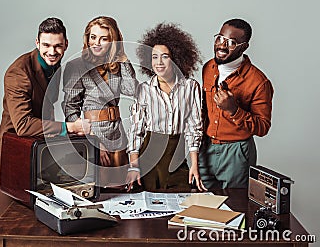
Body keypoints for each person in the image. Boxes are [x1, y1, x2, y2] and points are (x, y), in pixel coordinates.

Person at [0, 17, 90, 246]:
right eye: (47, 46)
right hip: (12, 156)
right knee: (1, 224)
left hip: (38, 152)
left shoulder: (54, 65)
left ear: (66, 44)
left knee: (37, 224)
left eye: (58, 46)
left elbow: (46, 109)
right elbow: (23, 125)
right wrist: (68, 127)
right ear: (37, 43)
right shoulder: (17, 73)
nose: (52, 51)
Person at [126, 23, 206, 192]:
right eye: (154, 57)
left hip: (177, 156)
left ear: (176, 58)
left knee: (179, 208)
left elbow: (194, 128)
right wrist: (134, 166)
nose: (159, 62)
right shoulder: (144, 90)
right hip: (148, 157)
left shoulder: (191, 87)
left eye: (165, 56)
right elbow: (136, 130)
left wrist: (194, 165)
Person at [63, 16, 138, 187]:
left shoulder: (116, 65)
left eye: (103, 38)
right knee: (99, 189)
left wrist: (124, 60)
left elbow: (132, 90)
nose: (96, 43)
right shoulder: (76, 66)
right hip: (93, 134)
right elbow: (70, 109)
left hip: (117, 132)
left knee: (120, 189)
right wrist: (92, 141)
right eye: (93, 37)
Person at [199, 18, 274, 189]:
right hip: (206, 147)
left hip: (236, 152)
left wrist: (234, 110)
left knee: (234, 206)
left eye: (231, 42)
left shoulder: (259, 82)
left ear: (244, 46)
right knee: (203, 203)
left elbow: (263, 127)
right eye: (220, 38)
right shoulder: (207, 68)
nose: (222, 46)